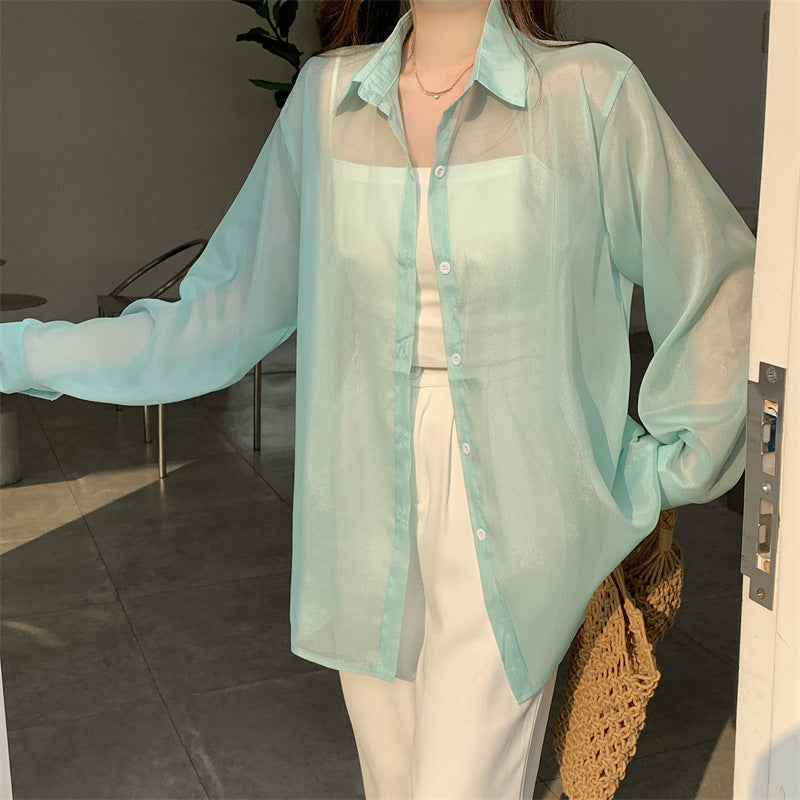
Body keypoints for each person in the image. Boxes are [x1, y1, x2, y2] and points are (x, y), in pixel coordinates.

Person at [0, 0, 756, 797]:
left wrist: (662, 469)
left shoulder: (589, 94)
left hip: (522, 514)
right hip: (361, 515)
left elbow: (717, 282)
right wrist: (19, 351)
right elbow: (219, 317)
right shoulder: (327, 102)